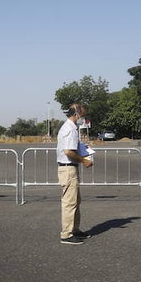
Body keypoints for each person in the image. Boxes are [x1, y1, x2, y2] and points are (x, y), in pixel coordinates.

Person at [56, 103, 93, 245]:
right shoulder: (70, 129)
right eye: (82, 112)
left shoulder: (70, 127)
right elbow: (68, 151)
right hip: (68, 168)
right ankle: (66, 234)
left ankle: (75, 230)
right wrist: (84, 160)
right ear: (76, 113)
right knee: (69, 203)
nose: (82, 115)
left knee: (75, 201)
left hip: (69, 168)